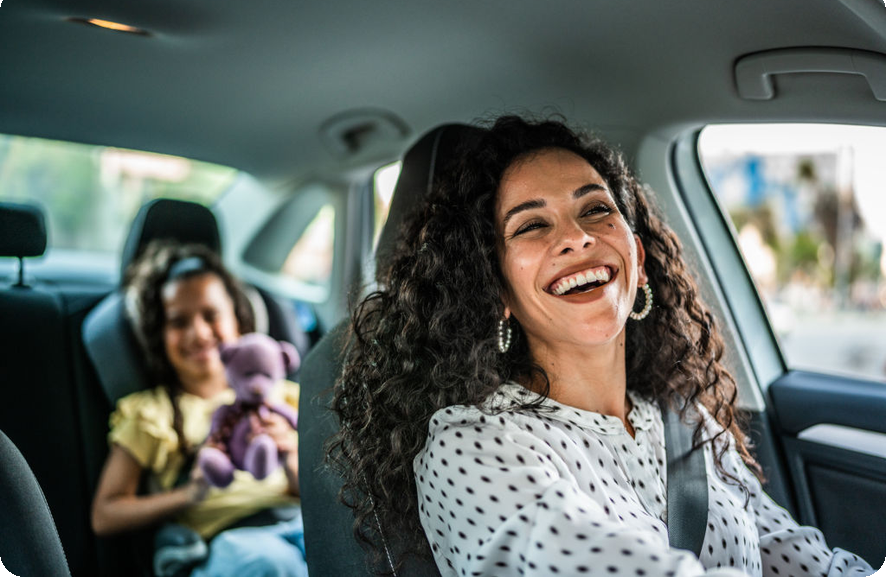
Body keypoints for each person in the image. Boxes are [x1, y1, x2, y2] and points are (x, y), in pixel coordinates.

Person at [327, 116, 873, 577]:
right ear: (496, 291)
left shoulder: (689, 423)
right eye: (531, 225)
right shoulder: (471, 447)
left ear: (637, 258)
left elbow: (803, 558)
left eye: (595, 210)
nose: (576, 237)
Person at [91, 241, 308, 577]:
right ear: (159, 336)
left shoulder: (285, 398)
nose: (199, 333)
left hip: (298, 526)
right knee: (274, 564)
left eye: (211, 315)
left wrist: (291, 454)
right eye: (178, 322)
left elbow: (318, 495)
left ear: (238, 319)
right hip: (227, 545)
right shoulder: (153, 414)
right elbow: (105, 514)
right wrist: (188, 495)